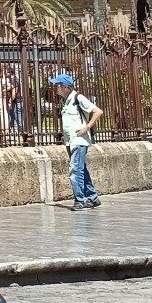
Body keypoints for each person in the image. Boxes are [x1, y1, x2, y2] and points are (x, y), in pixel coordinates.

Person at [53, 71, 103, 210]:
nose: (56, 88)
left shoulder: (78, 98)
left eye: (57, 85)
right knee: (81, 169)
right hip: (71, 141)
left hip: (79, 141)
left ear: (64, 86)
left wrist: (86, 127)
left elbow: (97, 111)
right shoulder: (66, 101)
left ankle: (80, 200)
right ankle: (92, 197)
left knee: (75, 170)